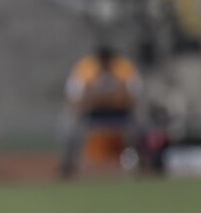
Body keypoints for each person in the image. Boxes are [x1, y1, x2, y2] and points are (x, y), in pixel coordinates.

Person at [59, 44, 141, 177]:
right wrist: (104, 98)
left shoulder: (124, 68)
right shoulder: (85, 68)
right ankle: (68, 165)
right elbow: (75, 99)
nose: (105, 63)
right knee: (69, 124)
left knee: (138, 125)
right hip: (91, 114)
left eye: (107, 59)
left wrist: (102, 98)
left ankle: (137, 162)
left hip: (119, 113)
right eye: (102, 59)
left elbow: (132, 97)